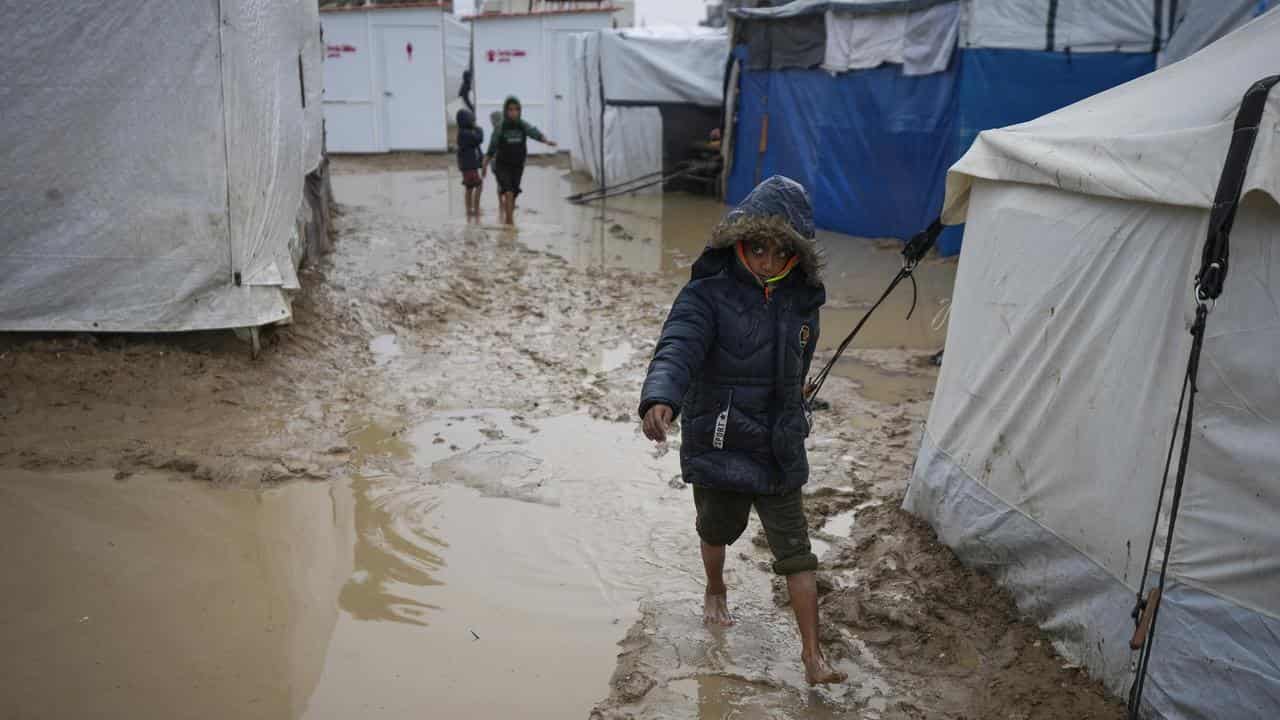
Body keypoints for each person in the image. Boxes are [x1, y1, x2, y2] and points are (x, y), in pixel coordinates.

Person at [638, 175, 846, 686]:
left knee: (796, 551)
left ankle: (812, 657)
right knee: (717, 529)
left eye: (781, 251)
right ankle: (715, 587)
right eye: (757, 248)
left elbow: (802, 361)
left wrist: (798, 397)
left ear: (795, 251)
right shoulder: (704, 295)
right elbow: (678, 346)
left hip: (778, 443)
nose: (768, 261)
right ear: (738, 242)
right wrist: (661, 398)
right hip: (721, 436)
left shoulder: (803, 302)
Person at [482, 96, 556, 225]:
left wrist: (546, 140)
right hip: (502, 164)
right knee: (509, 191)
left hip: (518, 165)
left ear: (520, 111)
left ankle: (508, 215)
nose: (513, 112)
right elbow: (491, 148)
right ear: (505, 111)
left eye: (516, 109)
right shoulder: (500, 128)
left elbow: (533, 132)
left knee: (514, 192)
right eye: (510, 109)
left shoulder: (522, 125)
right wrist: (484, 165)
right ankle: (509, 222)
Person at [455, 108, 484, 217]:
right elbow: (478, 139)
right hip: (470, 167)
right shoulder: (465, 134)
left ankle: (469, 210)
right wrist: (479, 130)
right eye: (471, 120)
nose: (473, 122)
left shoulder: (462, 133)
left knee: (469, 187)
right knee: (479, 185)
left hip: (467, 166)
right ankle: (475, 209)